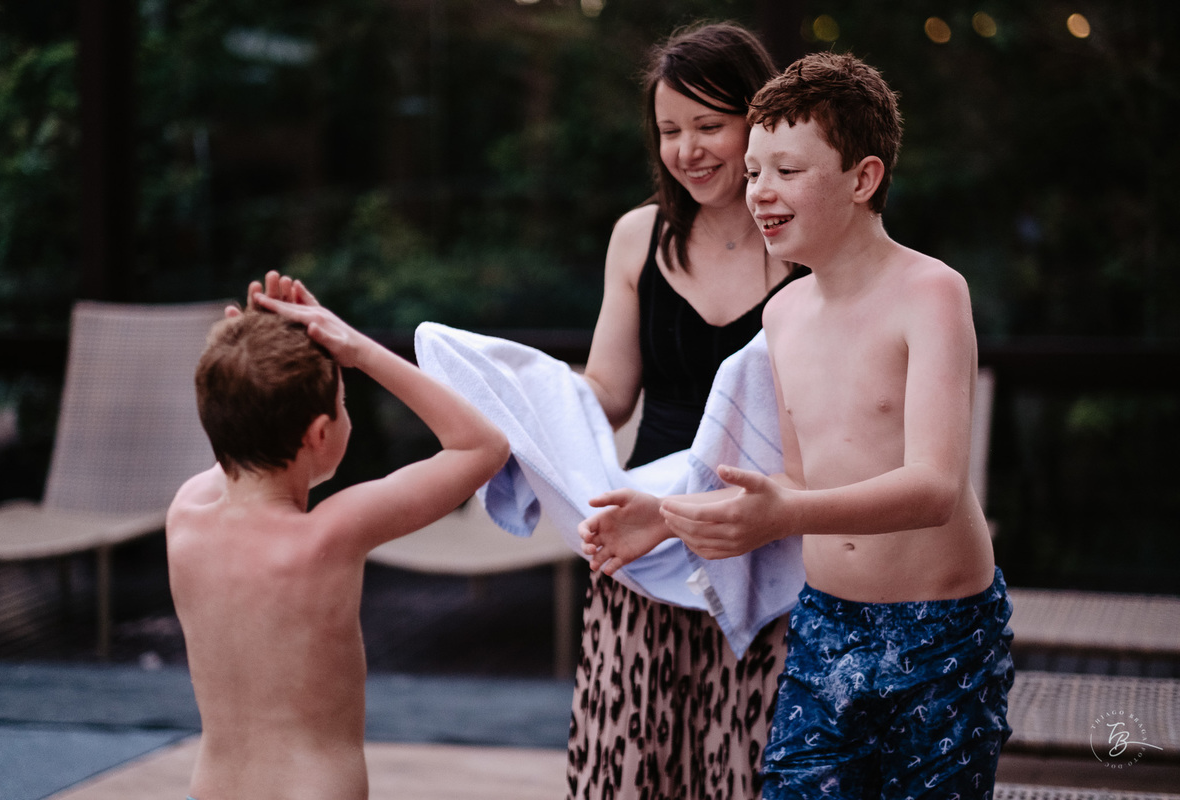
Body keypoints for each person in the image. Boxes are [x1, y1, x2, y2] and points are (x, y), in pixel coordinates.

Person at [581, 52, 1014, 798]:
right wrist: (667, 514)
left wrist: (788, 513)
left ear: (863, 178)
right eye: (754, 173)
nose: (758, 193)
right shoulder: (783, 314)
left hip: (939, 631)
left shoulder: (932, 292)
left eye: (785, 171)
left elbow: (935, 487)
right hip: (823, 628)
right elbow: (796, 481)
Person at [570, 21, 809, 800]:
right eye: (671, 130)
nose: (688, 150)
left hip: (765, 552)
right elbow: (607, 393)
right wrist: (516, 406)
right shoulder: (639, 235)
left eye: (710, 125)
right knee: (627, 776)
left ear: (760, 121)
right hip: (644, 547)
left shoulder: (810, 242)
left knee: (747, 774)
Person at [166, 277, 509, 800]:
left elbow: (238, 429)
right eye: (344, 402)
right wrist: (357, 347)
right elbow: (481, 446)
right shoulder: (328, 535)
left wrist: (239, 359)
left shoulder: (184, 517)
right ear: (320, 434)